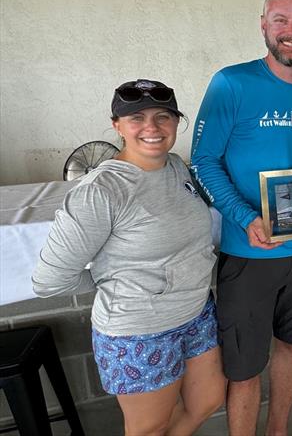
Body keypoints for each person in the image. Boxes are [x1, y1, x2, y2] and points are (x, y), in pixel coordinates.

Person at [32, 79, 224, 435]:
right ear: (116, 125)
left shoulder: (177, 169)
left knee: (207, 400)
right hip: (140, 330)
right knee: (148, 427)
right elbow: (49, 280)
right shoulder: (100, 191)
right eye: (136, 117)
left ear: (176, 123)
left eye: (163, 117)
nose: (151, 127)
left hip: (196, 313)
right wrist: (115, 281)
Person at [190, 0, 292, 435]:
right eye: (281, 20)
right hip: (248, 254)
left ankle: (278, 431)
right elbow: (203, 161)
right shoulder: (231, 83)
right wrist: (245, 217)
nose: (291, 32)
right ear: (263, 26)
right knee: (244, 367)